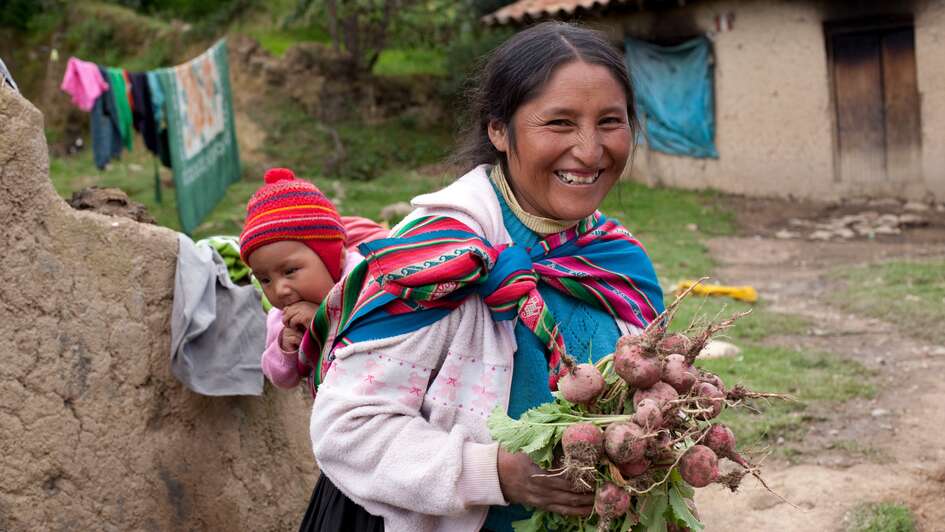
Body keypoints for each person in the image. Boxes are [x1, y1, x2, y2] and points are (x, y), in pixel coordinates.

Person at [302, 21, 666, 532]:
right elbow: (347, 429)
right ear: (499, 129)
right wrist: (494, 473)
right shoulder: (440, 256)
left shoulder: (616, 259)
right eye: (560, 123)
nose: (590, 150)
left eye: (610, 121)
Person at [239, 167, 386, 393]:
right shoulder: (281, 318)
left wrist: (324, 321)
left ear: (335, 259)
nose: (280, 289)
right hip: (334, 412)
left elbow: (380, 335)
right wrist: (285, 348)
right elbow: (281, 378)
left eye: (289, 271)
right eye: (265, 279)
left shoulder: (367, 280)